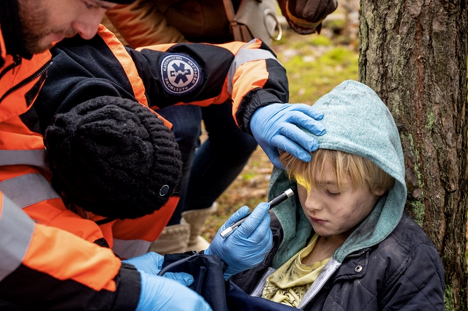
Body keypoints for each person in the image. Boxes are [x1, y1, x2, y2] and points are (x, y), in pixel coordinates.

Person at [0, 0, 324, 310]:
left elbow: (240, 58)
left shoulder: (120, 73)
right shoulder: (32, 206)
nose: (88, 28)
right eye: (89, 3)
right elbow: (81, 284)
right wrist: (130, 291)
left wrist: (262, 105)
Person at [103, 0, 339, 253]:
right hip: (151, 38)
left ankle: (187, 230)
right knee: (177, 132)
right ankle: (164, 244)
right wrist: (188, 57)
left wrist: (300, 9)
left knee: (238, 138)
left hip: (230, 41)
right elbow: (126, 7)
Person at [228, 80, 445, 310]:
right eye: (302, 183)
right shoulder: (271, 232)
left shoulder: (405, 261)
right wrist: (219, 265)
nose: (311, 204)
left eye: (332, 191)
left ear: (380, 182)